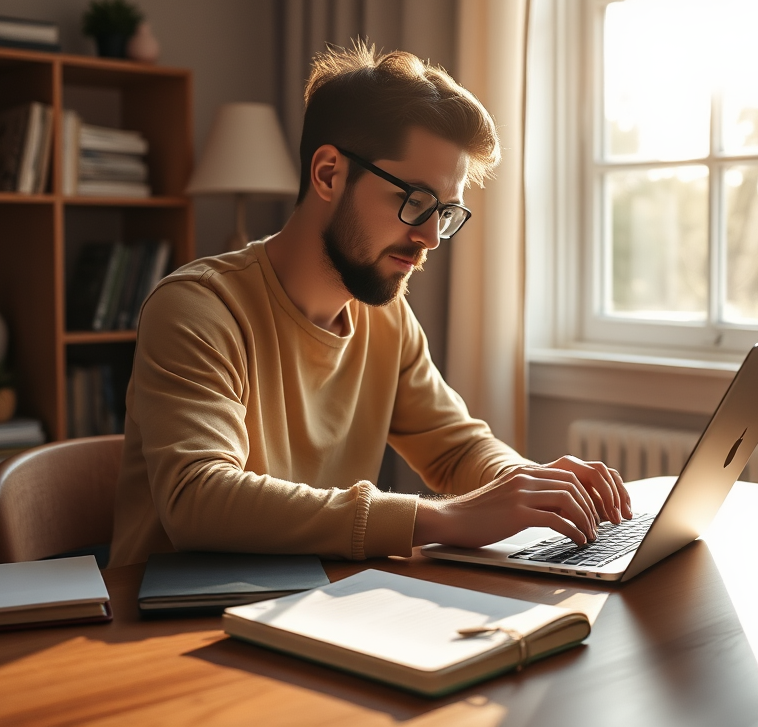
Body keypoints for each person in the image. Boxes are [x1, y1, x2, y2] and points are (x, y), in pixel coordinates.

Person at [109, 43, 631, 569]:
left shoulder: (385, 315)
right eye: (416, 201)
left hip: (316, 609)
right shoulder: (197, 310)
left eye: (446, 213)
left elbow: (455, 448)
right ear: (330, 174)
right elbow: (197, 499)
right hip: (173, 629)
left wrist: (529, 488)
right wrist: (443, 519)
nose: (430, 237)